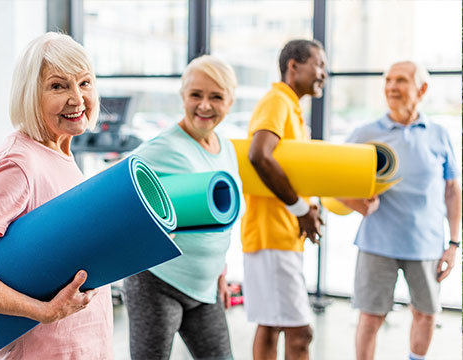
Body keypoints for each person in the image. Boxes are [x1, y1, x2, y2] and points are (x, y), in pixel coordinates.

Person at [0, 32, 114, 359]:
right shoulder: (19, 163)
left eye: (84, 83)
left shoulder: (60, 154)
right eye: (58, 86)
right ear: (30, 94)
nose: (77, 99)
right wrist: (41, 310)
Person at [339, 61, 461, 360]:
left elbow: (452, 191)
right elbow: (334, 182)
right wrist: (357, 204)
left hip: (426, 243)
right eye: (388, 80)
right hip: (377, 243)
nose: (392, 87)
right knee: (370, 317)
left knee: (426, 314)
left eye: (401, 80)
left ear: (422, 89)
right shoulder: (365, 133)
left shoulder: (439, 134)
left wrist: (454, 243)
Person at [123, 55, 242, 360]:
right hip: (158, 282)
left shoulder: (226, 147)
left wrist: (221, 269)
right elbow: (115, 192)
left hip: (206, 288)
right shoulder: (162, 148)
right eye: (196, 95)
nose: (204, 105)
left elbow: (222, 219)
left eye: (216, 97)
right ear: (183, 96)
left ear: (230, 101)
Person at [241, 39, 326, 360]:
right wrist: (300, 208)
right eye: (319, 65)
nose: (324, 75)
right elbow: (259, 156)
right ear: (294, 66)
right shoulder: (277, 101)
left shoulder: (289, 106)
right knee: (301, 333)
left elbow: (285, 169)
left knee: (270, 325)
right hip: (272, 236)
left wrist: (307, 204)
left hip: (278, 235)